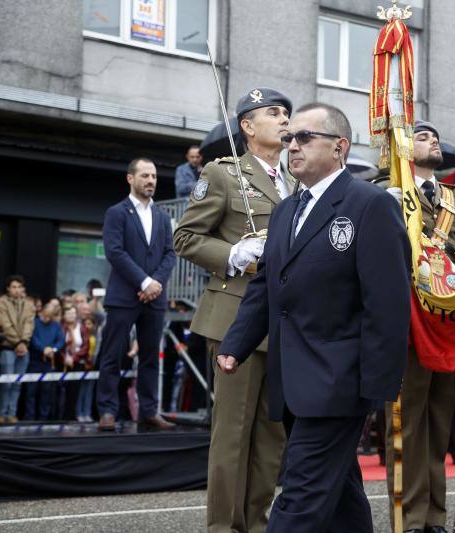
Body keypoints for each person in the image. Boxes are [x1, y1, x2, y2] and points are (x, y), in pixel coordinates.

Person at [217, 103, 411, 533]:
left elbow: (387, 302)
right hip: (293, 376)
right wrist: (236, 343)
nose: (292, 146)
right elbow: (269, 285)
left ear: (339, 147)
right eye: (289, 138)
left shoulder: (370, 205)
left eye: (305, 137)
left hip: (338, 380)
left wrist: (378, 385)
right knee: (341, 495)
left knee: (300, 495)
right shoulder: (287, 209)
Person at [173, 87, 294, 533]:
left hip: (283, 325)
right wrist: (234, 254)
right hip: (236, 317)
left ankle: (255, 524)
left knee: (270, 437)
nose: (285, 121)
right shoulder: (223, 174)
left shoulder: (296, 182)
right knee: (232, 435)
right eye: (274, 113)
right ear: (247, 125)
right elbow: (185, 238)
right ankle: (223, 528)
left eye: (287, 114)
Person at [382, 120, 455, 533]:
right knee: (406, 426)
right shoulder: (389, 194)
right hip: (408, 321)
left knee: (439, 423)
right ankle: (410, 518)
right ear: (404, 149)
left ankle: (435, 517)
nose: (433, 140)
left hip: (447, 321)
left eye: (435, 136)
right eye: (422, 136)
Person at [96, 157, 176, 431]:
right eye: (144, 176)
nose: (151, 180)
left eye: (153, 176)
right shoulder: (117, 213)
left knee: (151, 357)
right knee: (112, 355)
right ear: (130, 178)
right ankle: (107, 412)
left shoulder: (163, 216)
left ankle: (149, 411)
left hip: (154, 299)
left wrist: (155, 283)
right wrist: (144, 282)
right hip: (123, 297)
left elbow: (169, 253)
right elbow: (114, 252)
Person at [0, 275, 36, 423]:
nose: (17, 290)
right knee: (6, 382)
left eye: (19, 287)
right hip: (8, 347)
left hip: (24, 348)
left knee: (17, 383)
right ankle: (1, 413)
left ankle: (12, 413)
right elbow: (5, 325)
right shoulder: (1, 303)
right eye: (14, 287)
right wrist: (18, 342)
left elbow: (29, 325)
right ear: (8, 289)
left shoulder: (29, 304)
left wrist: (23, 342)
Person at [24, 301, 65, 421]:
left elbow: (60, 341)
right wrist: (43, 349)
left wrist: (53, 349)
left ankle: (44, 417)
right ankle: (30, 417)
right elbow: (33, 339)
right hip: (35, 361)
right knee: (31, 391)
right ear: (40, 312)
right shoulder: (35, 323)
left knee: (46, 392)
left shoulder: (56, 326)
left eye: (49, 316)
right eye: (44, 315)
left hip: (49, 362)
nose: (46, 319)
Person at [76, 315, 98, 422]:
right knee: (80, 390)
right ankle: (79, 413)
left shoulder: (96, 336)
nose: (87, 326)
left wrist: (92, 362)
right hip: (82, 365)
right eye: (85, 324)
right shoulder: (81, 335)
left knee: (89, 391)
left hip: (93, 366)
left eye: (90, 324)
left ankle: (87, 413)